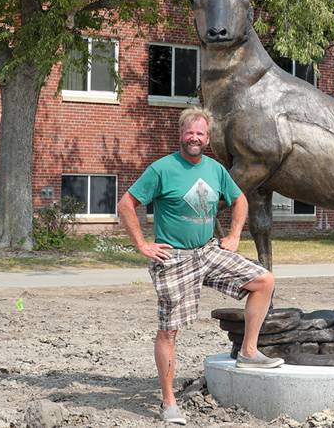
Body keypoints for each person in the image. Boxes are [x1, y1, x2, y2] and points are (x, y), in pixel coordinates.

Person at [119, 106, 282, 426]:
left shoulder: (216, 170)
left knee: (263, 281)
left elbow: (240, 200)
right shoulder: (162, 169)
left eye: (200, 134)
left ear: (208, 139)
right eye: (190, 132)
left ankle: (248, 352)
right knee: (168, 330)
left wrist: (234, 234)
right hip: (174, 257)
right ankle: (168, 403)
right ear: (181, 134)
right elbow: (126, 203)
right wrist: (141, 244)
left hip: (208, 251)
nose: (194, 138)